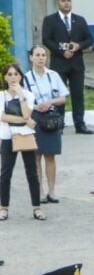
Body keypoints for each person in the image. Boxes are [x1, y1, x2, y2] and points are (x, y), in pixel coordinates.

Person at [40, 0, 92, 134]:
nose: (66, 3)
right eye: (63, 0)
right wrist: (62, 52)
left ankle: (80, 125)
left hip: (76, 64)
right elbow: (46, 40)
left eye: (68, 0)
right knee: (58, 96)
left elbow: (89, 39)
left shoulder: (79, 20)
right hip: (59, 64)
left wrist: (78, 46)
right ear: (57, 3)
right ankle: (59, 124)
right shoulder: (50, 20)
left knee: (78, 95)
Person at [24, 46, 66, 206]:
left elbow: (62, 98)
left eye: (43, 55)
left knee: (50, 155)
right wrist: (35, 106)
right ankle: (39, 191)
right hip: (35, 118)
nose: (41, 58)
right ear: (31, 57)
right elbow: (22, 100)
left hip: (51, 118)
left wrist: (50, 102)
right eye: (37, 55)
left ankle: (52, 191)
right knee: (36, 155)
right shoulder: (26, 78)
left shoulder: (53, 75)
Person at [0, 63, 42, 221]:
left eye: (15, 74)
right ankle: (3, 207)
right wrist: (26, 120)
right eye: (9, 74)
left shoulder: (28, 95)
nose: (12, 77)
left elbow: (26, 112)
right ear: (4, 77)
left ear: (20, 76)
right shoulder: (1, 95)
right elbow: (3, 117)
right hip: (8, 136)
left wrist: (20, 95)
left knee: (32, 172)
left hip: (25, 136)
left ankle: (36, 207)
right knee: (5, 173)